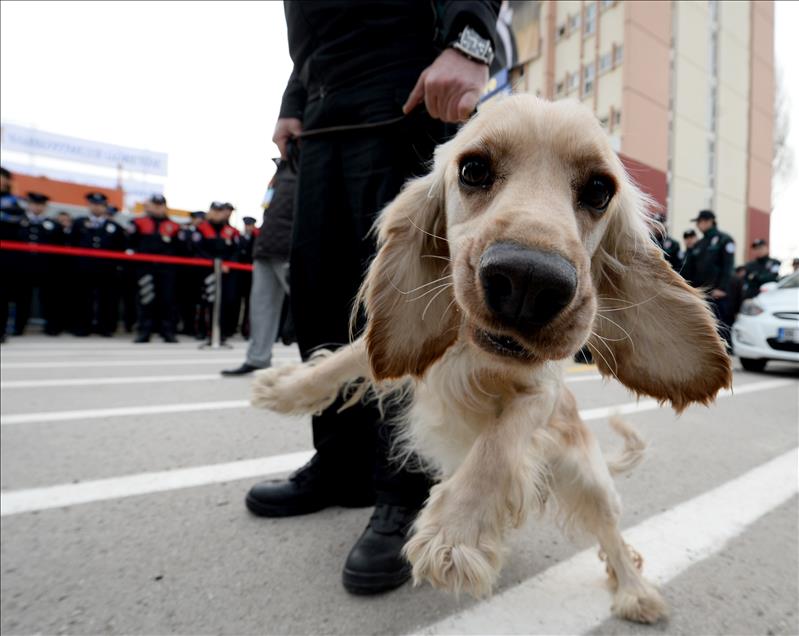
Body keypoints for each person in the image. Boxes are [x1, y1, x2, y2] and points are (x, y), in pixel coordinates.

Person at [244, 0, 501, 596]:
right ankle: (340, 465)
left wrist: (469, 42)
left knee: (406, 303)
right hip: (323, 109)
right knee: (321, 293)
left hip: (406, 93)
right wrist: (292, 102)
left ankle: (407, 490)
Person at [222, 159, 295, 376]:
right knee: (261, 307)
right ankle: (258, 358)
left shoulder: (307, 165)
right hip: (266, 247)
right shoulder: (280, 173)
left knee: (309, 308)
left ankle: (324, 361)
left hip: (290, 248)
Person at [71, 192, 127, 336]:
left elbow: (120, 248)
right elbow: (72, 244)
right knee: (83, 298)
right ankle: (83, 327)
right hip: (83, 268)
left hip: (107, 270)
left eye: (100, 205)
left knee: (107, 300)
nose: (97, 208)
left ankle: (105, 327)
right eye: (94, 204)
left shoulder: (115, 227)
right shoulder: (79, 223)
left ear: (105, 207)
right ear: (89, 205)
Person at [9, 192, 65, 335]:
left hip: (47, 268)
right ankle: (19, 327)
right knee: (22, 298)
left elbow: (60, 248)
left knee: (49, 299)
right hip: (22, 267)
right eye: (34, 204)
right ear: (28, 204)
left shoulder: (54, 225)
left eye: (40, 204)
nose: (37, 207)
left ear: (45, 206)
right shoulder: (17, 222)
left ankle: (51, 327)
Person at [128, 194, 181, 343]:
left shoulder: (174, 226)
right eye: (155, 204)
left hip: (167, 269)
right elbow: (131, 244)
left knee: (168, 300)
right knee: (145, 299)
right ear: (148, 205)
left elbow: (180, 248)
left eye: (161, 204)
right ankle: (144, 331)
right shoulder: (138, 222)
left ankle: (167, 331)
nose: (158, 207)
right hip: (145, 268)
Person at [682, 210, 735, 347]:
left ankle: (725, 352)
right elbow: (690, 270)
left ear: (708, 221)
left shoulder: (724, 239)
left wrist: (722, 288)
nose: (698, 226)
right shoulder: (700, 243)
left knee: (720, 325)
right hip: (702, 291)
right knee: (705, 325)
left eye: (700, 222)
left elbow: (728, 267)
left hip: (717, 292)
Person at [192, 201, 241, 342]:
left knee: (226, 301)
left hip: (226, 272)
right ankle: (202, 330)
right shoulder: (202, 229)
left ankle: (221, 331)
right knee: (206, 300)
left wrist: (227, 264)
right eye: (215, 210)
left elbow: (236, 251)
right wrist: (214, 263)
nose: (218, 214)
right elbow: (197, 249)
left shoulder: (231, 231)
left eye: (221, 211)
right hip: (207, 270)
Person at [1, 167, 26, 341]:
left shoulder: (14, 203)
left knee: (2, 294)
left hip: (5, 257)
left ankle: (1, 330)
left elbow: (19, 221)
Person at [176, 211, 206, 337]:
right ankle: (183, 325)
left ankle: (194, 327)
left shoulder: (204, 233)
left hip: (198, 271)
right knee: (182, 300)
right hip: (183, 270)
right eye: (197, 218)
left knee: (196, 301)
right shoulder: (184, 231)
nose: (199, 221)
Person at [235, 215, 260, 338]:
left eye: (250, 225)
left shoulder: (256, 238)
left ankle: (247, 329)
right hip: (240, 274)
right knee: (236, 301)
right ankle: (234, 327)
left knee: (250, 303)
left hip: (252, 275)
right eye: (246, 225)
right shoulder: (239, 238)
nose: (248, 227)